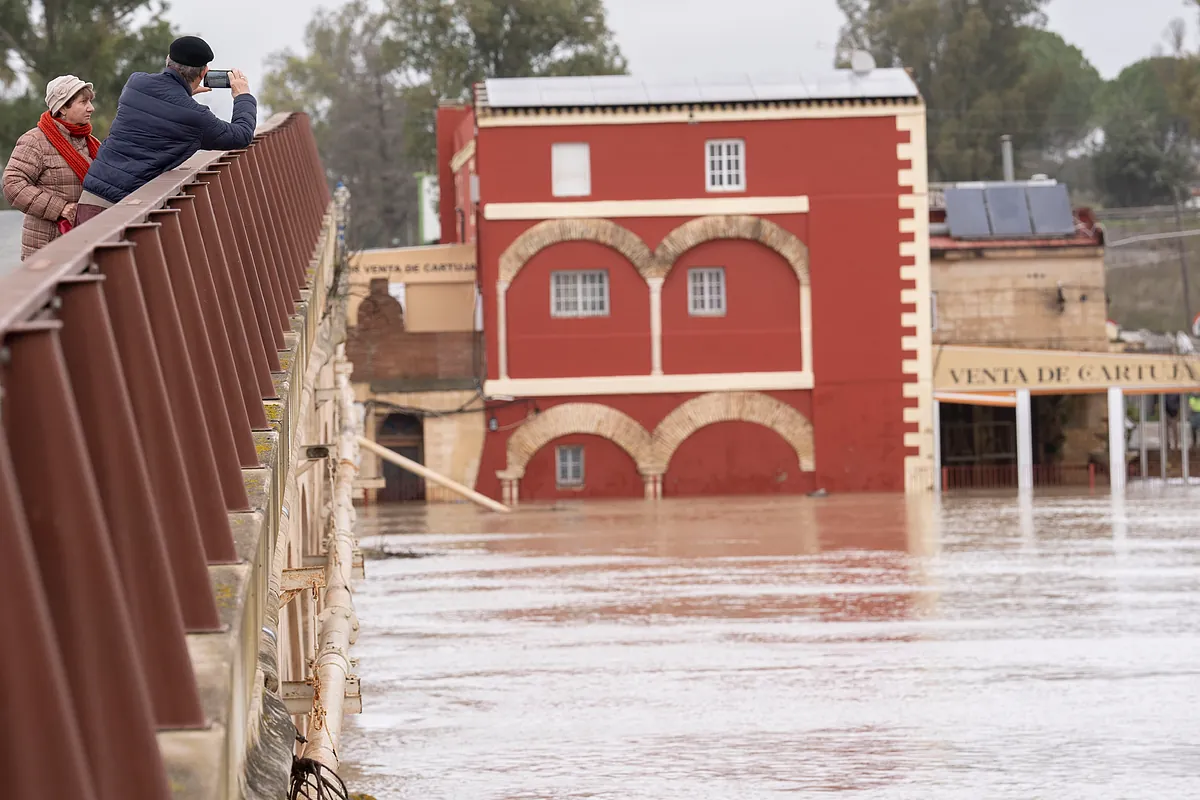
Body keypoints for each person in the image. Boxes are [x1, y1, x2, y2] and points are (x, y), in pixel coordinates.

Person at [76, 35, 255, 225]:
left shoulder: (135, 83)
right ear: (203, 73)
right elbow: (241, 135)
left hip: (90, 200)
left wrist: (182, 94)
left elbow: (158, 107)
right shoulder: (196, 116)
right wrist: (243, 96)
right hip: (125, 211)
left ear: (168, 61)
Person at [2, 75, 100, 260]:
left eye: (90, 101)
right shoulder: (35, 141)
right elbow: (12, 184)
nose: (91, 108)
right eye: (83, 102)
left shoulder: (90, 143)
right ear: (62, 107)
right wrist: (60, 208)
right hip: (47, 248)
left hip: (83, 243)